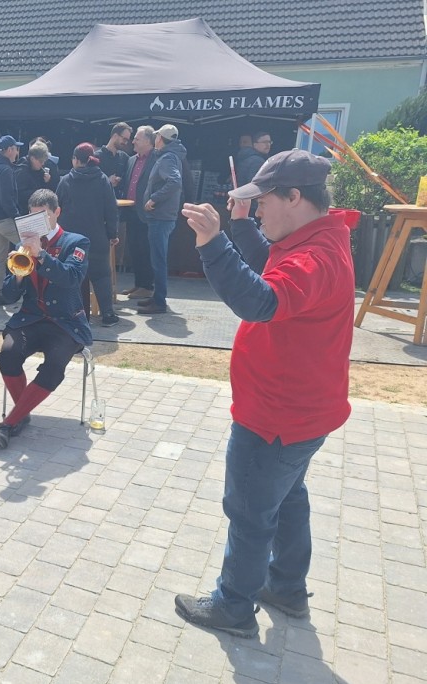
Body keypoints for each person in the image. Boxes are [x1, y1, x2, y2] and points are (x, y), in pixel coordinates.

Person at [175, 150, 354, 638]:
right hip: (299, 413)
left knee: (250, 511)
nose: (257, 210)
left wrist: (213, 243)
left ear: (294, 197)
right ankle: (286, 587)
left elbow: (260, 299)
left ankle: (234, 605)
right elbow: (269, 268)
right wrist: (238, 225)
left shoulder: (315, 257)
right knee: (287, 498)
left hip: (277, 416)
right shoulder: (315, 238)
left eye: (263, 201)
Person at [0, 189, 91, 450]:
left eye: (43, 216)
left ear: (57, 213)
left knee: (54, 365)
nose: (38, 222)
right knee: (8, 355)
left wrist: (42, 256)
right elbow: (8, 295)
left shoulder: (76, 242)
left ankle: (9, 423)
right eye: (32, 217)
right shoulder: (21, 245)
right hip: (31, 319)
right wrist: (18, 275)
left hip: (65, 322)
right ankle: (20, 415)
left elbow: (72, 278)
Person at [56, 143, 120, 327]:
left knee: (72, 276)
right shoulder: (102, 180)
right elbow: (111, 210)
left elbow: (56, 208)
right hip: (97, 237)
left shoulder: (65, 181)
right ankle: (108, 314)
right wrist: (113, 234)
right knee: (102, 275)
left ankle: (74, 314)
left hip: (70, 240)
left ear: (76, 160)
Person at [138, 124, 186, 315]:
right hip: (163, 216)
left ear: (159, 138)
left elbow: (175, 181)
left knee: (158, 260)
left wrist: (154, 199)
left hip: (160, 217)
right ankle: (157, 297)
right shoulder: (170, 156)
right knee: (158, 259)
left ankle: (159, 301)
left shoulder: (167, 158)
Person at [0, 135, 24, 306]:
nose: (17, 152)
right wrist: (18, 218)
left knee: (0, 259)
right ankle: (34, 292)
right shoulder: (6, 170)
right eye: (16, 148)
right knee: (30, 249)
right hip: (5, 219)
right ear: (9, 150)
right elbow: (7, 200)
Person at [121, 126, 158, 299]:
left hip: (147, 213)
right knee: (134, 249)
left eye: (137, 138)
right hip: (131, 211)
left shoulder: (157, 159)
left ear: (149, 141)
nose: (133, 141)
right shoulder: (131, 160)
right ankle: (139, 284)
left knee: (145, 249)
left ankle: (147, 286)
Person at [235, 131, 273, 217]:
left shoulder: (246, 157)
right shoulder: (258, 161)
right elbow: (257, 187)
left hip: (243, 203)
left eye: (269, 142)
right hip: (252, 207)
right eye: (264, 142)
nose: (268, 145)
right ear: (255, 145)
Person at [15, 142, 57, 216]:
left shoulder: (40, 171)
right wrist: (39, 192)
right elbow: (19, 195)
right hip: (24, 212)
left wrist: (47, 182)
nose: (42, 164)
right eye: (40, 161)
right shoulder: (21, 170)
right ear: (32, 158)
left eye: (44, 161)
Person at [95, 122, 132, 198]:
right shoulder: (96, 156)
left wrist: (120, 180)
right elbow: (88, 181)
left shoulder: (124, 157)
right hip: (100, 202)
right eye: (124, 139)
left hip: (119, 202)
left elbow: (128, 179)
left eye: (127, 140)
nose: (126, 143)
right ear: (115, 136)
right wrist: (107, 181)